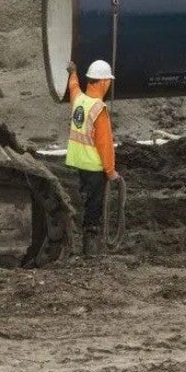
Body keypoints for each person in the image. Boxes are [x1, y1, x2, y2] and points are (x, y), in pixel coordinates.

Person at [64, 60, 120, 256]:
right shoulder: (99, 109)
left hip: (78, 163)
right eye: (108, 81)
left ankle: (83, 245)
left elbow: (73, 87)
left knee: (86, 201)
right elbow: (104, 144)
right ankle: (90, 251)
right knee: (94, 208)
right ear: (104, 82)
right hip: (94, 166)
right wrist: (111, 171)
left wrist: (73, 72)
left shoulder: (79, 100)